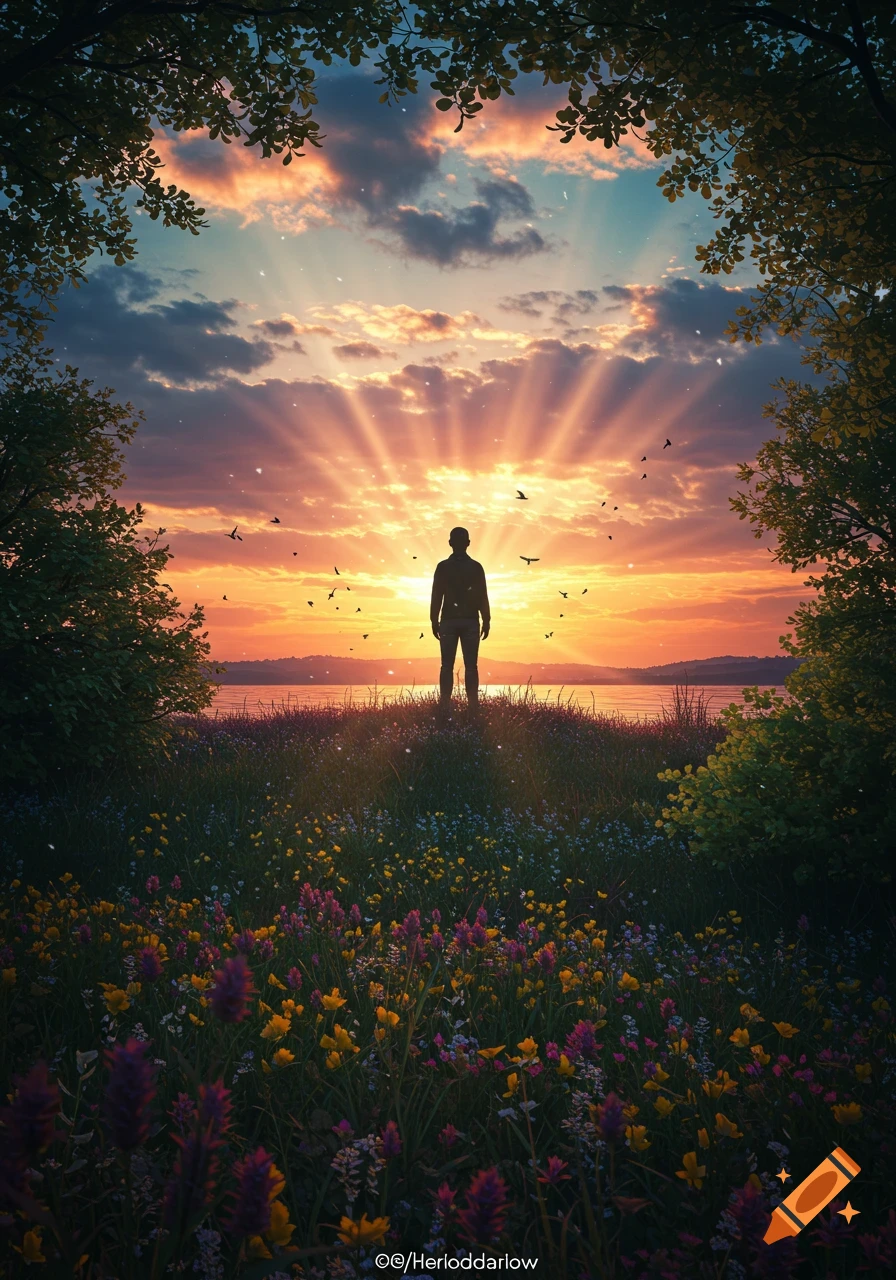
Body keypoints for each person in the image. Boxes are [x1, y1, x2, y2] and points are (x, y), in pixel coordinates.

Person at [430, 527, 490, 719]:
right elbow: (483, 596)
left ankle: (444, 705)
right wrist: (487, 619)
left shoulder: (442, 567)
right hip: (471, 621)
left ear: (450, 543)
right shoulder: (476, 567)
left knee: (446, 666)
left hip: (448, 621)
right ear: (468, 543)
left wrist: (433, 619)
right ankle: (473, 707)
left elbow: (436, 595)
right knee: (471, 666)